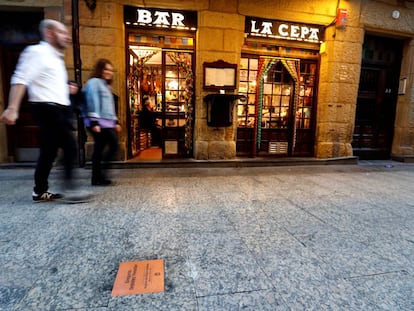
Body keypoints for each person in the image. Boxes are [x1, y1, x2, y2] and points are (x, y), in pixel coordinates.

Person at [0, 19, 90, 203]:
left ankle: (40, 191)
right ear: (49, 33)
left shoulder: (55, 57)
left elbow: (46, 83)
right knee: (70, 146)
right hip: (47, 108)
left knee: (48, 152)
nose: (67, 37)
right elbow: (20, 78)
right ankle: (71, 189)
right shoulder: (37, 52)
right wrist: (12, 108)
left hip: (58, 109)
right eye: (62, 32)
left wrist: (67, 89)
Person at [82, 59, 121, 186]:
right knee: (108, 147)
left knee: (104, 148)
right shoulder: (94, 83)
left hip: (106, 122)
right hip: (98, 123)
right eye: (106, 69)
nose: (109, 72)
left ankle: (98, 176)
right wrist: (94, 122)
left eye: (110, 70)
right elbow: (91, 101)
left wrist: (115, 121)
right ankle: (99, 175)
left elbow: (109, 106)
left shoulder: (106, 85)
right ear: (100, 70)